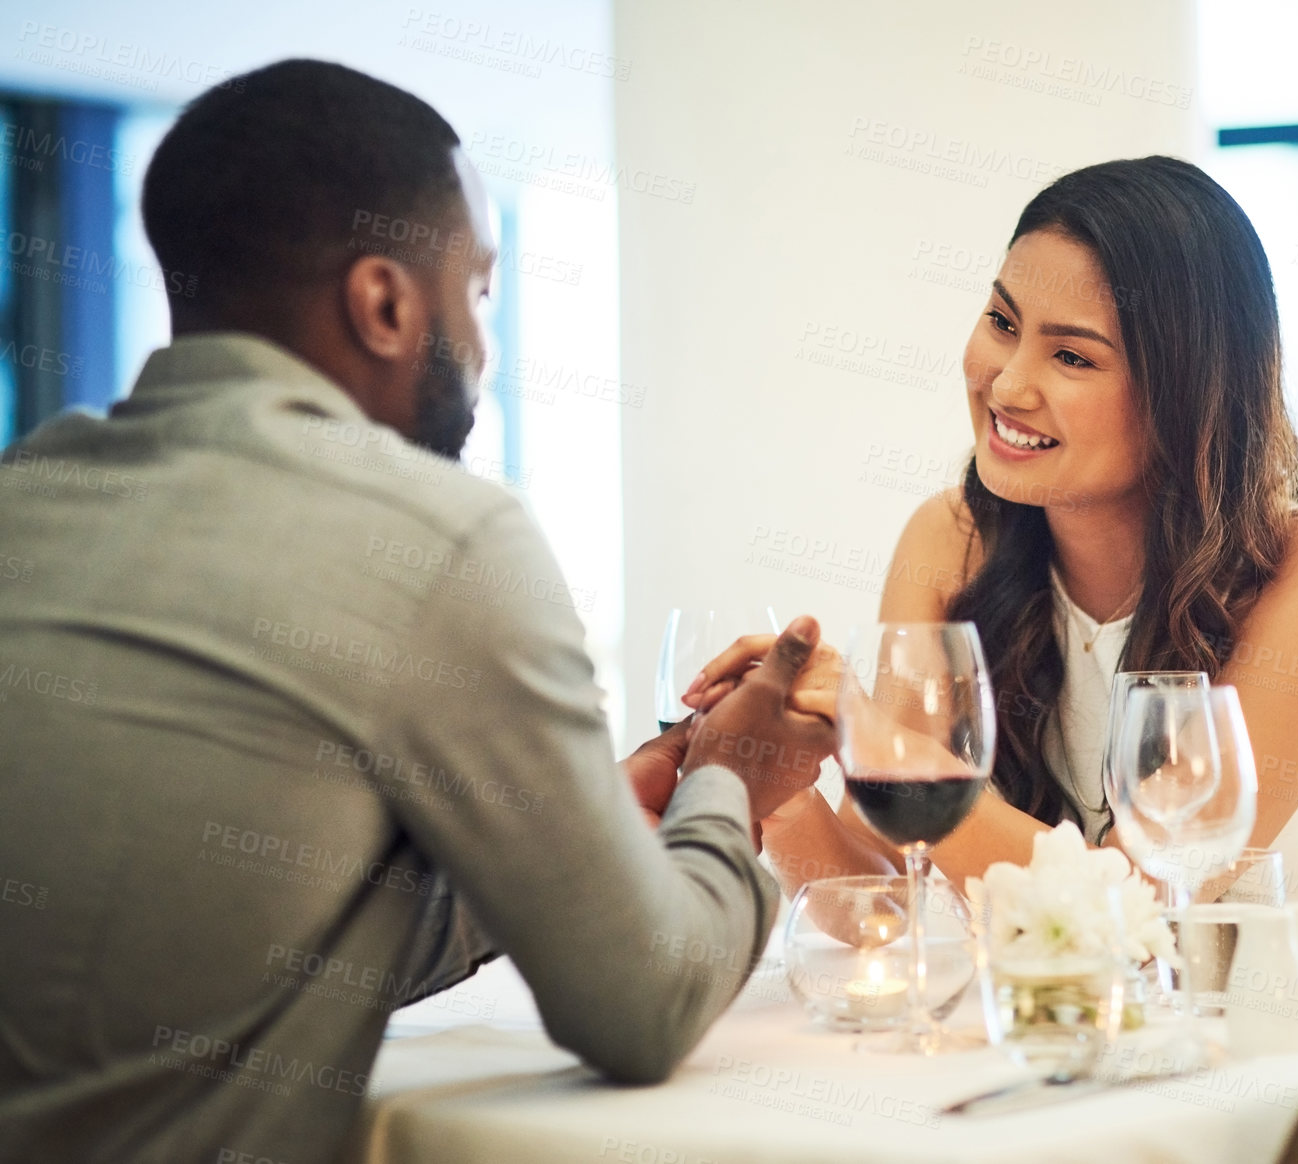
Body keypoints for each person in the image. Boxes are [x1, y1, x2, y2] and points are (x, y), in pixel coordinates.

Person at [0, 60, 833, 1164]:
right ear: (387, 303)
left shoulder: (29, 493)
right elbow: (645, 1008)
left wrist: (580, 825)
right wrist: (732, 775)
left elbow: (245, 939)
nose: (485, 346)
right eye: (479, 291)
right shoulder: (441, 539)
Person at [691, 157, 1298, 957]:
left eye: (1072, 357)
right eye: (1002, 323)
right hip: (1081, 1009)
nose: (1006, 386)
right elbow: (880, 906)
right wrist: (767, 773)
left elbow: (1134, 904)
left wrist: (880, 745)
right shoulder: (949, 541)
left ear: (1186, 394)